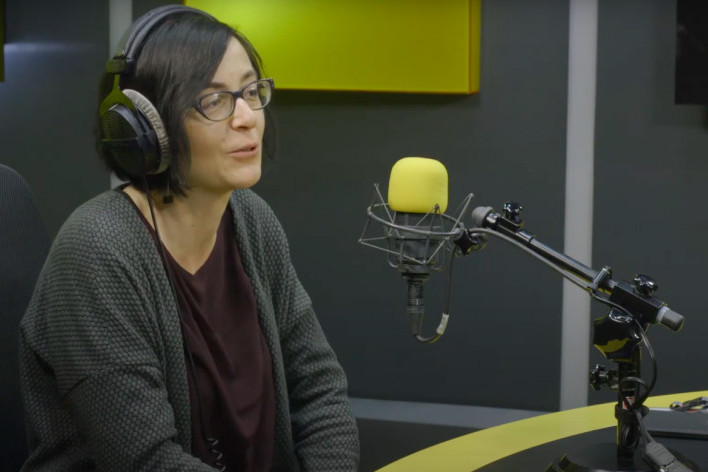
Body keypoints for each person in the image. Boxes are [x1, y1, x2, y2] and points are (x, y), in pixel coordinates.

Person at [18, 5, 359, 471]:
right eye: (214, 101)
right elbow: (146, 460)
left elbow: (321, 394)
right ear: (147, 129)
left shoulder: (252, 220)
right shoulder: (98, 250)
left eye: (251, 91)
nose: (247, 117)